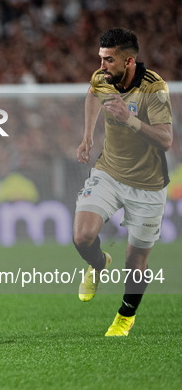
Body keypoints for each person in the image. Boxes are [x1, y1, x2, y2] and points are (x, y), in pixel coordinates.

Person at [74, 28, 173, 336]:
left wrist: (129, 118)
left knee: (135, 261)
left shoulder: (154, 89)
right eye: (100, 59)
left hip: (148, 184)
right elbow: (92, 95)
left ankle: (125, 316)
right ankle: (99, 263)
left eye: (109, 60)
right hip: (110, 172)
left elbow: (166, 140)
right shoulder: (101, 79)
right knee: (82, 237)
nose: (102, 66)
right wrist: (88, 135)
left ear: (129, 61)